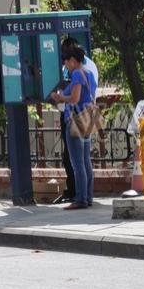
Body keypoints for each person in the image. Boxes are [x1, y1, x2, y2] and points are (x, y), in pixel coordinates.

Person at [50, 46, 96, 209]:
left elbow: (75, 98)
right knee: (86, 161)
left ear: (72, 61)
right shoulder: (89, 73)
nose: (65, 65)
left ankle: (81, 198)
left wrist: (60, 97)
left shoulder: (76, 73)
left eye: (66, 62)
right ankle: (88, 196)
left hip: (75, 119)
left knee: (77, 163)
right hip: (87, 118)